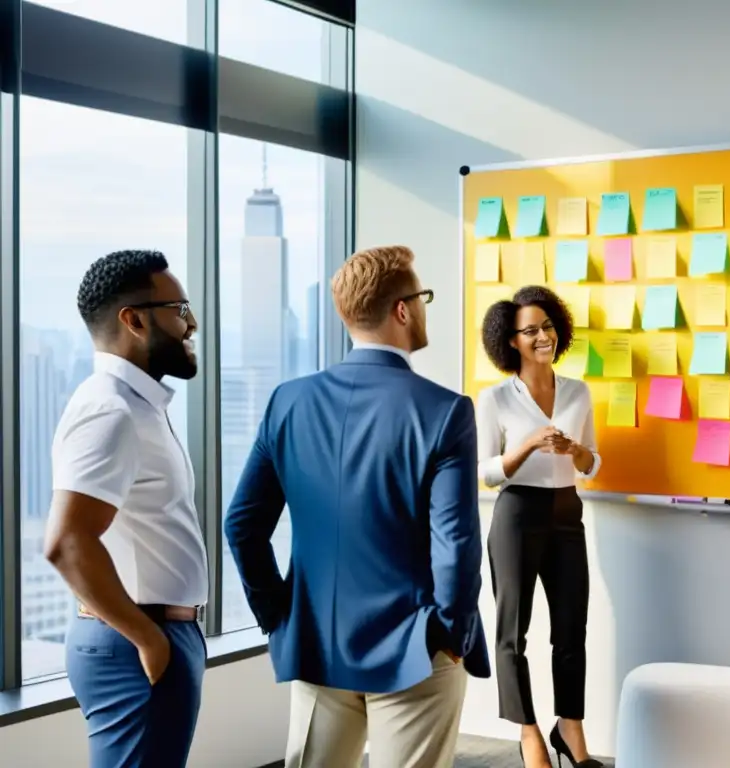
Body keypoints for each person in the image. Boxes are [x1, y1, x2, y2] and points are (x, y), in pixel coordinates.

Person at [224, 244, 489, 768]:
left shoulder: (287, 401)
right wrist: (451, 635)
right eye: (424, 297)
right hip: (415, 647)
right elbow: (455, 544)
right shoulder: (444, 411)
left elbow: (242, 526)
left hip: (317, 642)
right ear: (403, 309)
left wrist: (279, 616)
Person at [43, 250, 208, 768]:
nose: (192, 322)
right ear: (134, 320)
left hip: (151, 635)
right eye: (179, 308)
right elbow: (67, 542)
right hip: (136, 642)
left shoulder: (135, 406)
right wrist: (148, 640)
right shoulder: (110, 409)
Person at [477, 286, 604, 768]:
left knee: (572, 629)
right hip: (516, 517)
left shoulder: (577, 391)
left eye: (548, 326)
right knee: (513, 632)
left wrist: (575, 452)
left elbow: (592, 462)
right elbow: (485, 472)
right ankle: (528, 732)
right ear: (511, 341)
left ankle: (570, 728)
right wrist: (527, 445)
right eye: (530, 330)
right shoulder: (495, 399)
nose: (542, 336)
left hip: (566, 512)